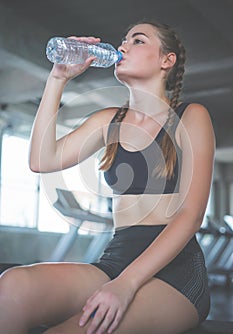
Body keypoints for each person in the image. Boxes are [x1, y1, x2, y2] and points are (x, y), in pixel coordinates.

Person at [0, 20, 215, 334]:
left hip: (176, 273)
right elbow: (40, 161)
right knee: (13, 285)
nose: (123, 46)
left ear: (166, 60)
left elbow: (191, 215)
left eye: (137, 41)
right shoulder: (108, 121)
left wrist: (126, 285)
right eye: (123, 40)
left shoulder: (191, 116)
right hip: (116, 259)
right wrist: (58, 78)